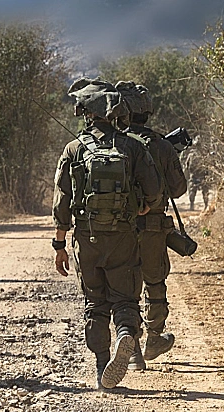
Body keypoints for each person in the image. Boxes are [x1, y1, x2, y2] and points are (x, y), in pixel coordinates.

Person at [51, 78, 161, 390]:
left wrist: (60, 244)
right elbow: (155, 193)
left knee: (95, 304)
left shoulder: (73, 149)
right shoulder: (133, 148)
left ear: (86, 113)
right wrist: (140, 208)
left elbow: (61, 202)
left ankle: (102, 371)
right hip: (124, 237)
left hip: (87, 239)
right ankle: (126, 334)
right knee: (125, 299)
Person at [115, 81, 187, 370]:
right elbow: (179, 189)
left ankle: (131, 349)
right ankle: (154, 338)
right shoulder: (161, 145)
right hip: (154, 227)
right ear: (147, 111)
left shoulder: (114, 143)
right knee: (154, 282)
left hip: (121, 229)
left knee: (125, 288)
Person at [183, 145, 212, 211]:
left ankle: (192, 205)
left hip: (194, 176)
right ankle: (205, 205)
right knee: (204, 191)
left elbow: (186, 167)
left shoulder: (191, 155)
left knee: (192, 190)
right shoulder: (204, 155)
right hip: (201, 176)